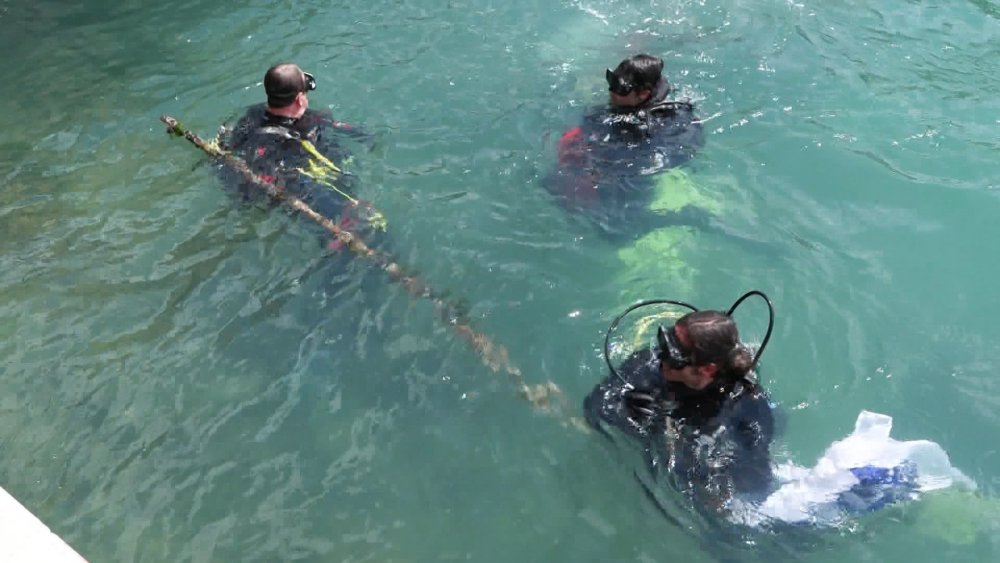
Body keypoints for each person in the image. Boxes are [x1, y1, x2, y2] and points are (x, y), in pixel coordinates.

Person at [584, 310, 775, 510]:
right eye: (666, 341)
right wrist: (627, 413)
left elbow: (756, 476)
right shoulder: (647, 364)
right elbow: (594, 410)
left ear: (707, 369)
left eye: (674, 354)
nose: (661, 356)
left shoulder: (744, 399)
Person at [220, 63, 382, 248]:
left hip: (264, 184)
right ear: (299, 99)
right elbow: (353, 131)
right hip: (302, 183)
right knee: (368, 219)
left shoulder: (250, 116)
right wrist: (369, 138)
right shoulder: (311, 122)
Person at [545, 54, 705, 239]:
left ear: (643, 94)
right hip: (605, 161)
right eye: (611, 80)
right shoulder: (612, 108)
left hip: (631, 172)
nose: (611, 91)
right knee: (549, 184)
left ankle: (685, 216)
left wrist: (605, 170)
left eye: (621, 89)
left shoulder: (670, 120)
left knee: (619, 232)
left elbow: (677, 153)